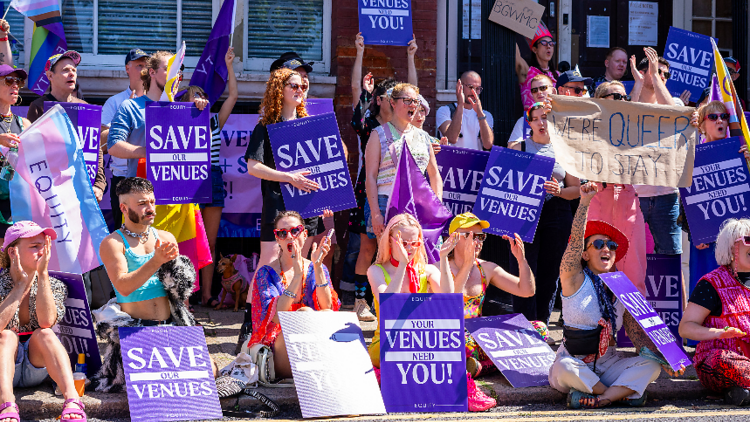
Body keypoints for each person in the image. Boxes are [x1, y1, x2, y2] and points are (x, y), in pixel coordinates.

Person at [550, 182, 681, 408]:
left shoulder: (623, 287)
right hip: (576, 362)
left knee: (651, 367)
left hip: (609, 364)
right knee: (565, 368)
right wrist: (584, 203)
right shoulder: (573, 277)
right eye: (598, 244)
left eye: (611, 245)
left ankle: (600, 398)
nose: (607, 249)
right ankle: (621, 393)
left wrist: (665, 358)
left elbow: (638, 336)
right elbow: (573, 243)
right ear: (585, 253)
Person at [366, 213, 495, 411]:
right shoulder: (375, 270)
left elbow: (450, 298)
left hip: (419, 341)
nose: (408, 248)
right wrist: (402, 265)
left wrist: (443, 258)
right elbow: (388, 304)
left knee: (454, 346)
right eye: (403, 242)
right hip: (387, 344)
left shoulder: (426, 270)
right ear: (390, 241)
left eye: (414, 243)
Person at [347, 32, 418, 321]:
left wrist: (411, 56)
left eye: (400, 97)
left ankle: (394, 297)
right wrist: (360, 52)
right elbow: (354, 91)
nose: (398, 101)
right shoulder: (370, 125)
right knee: (368, 245)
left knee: (399, 247)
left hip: (402, 193)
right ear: (382, 100)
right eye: (390, 96)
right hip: (372, 191)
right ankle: (361, 301)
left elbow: (415, 91)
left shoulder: (410, 128)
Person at [0, 221, 87, 421]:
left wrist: (43, 275)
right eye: (34, 246)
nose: (43, 251)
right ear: (13, 253)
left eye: (44, 245)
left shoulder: (54, 284)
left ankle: (73, 400)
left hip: (36, 366)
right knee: (6, 335)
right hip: (4, 367)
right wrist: (20, 286)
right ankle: (6, 403)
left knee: (45, 333)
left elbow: (46, 321)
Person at [244, 68, 325, 275]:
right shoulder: (265, 126)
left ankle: (293, 307)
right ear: (280, 90)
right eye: (295, 86)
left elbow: (321, 169)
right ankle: (253, 308)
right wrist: (289, 178)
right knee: (269, 262)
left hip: (306, 203)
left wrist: (327, 200)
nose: (300, 90)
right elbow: (253, 167)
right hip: (277, 203)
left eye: (303, 86)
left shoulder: (310, 126)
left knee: (301, 264)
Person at [507, 103, 581, 325]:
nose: (541, 122)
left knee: (550, 273)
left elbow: (575, 189)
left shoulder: (565, 149)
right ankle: (522, 326)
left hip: (556, 211)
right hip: (522, 212)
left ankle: (541, 326)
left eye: (546, 118)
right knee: (523, 267)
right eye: (536, 118)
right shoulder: (517, 148)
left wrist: (559, 191)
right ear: (528, 123)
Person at [176, 48, 238, 308]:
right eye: (195, 96)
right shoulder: (177, 119)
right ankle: (184, 294)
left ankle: (207, 294)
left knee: (209, 242)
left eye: (202, 95)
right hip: (186, 178)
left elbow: (233, 96)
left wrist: (229, 65)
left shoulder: (213, 121)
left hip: (211, 178)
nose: (201, 100)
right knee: (185, 238)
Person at [247, 210, 339, 379]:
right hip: (277, 350)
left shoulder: (316, 268)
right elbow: (275, 316)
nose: (289, 237)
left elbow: (328, 308)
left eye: (295, 231)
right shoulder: (265, 273)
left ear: (304, 234)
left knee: (324, 315)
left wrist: (318, 268)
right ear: (277, 239)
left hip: (314, 345)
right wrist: (297, 275)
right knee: (304, 314)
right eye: (282, 233)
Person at [446, 213, 536, 378]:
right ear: (454, 238)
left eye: (481, 236)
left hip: (481, 337)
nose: (477, 241)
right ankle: (486, 364)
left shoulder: (487, 268)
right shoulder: (439, 268)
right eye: (471, 235)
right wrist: (467, 263)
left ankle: (480, 367)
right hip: (453, 337)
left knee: (538, 330)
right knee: (462, 344)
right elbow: (450, 305)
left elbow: (526, 291)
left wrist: (521, 260)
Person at [583, 81, 646, 296]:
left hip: (628, 198)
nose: (621, 101)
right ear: (600, 100)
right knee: (595, 270)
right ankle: (595, 328)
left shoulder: (637, 125)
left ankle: (634, 330)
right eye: (615, 96)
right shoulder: (586, 126)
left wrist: (693, 122)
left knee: (634, 276)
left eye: (624, 97)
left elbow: (667, 135)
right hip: (598, 197)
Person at [679, 218, 750, 406]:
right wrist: (718, 333)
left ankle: (740, 392)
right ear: (732, 248)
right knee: (722, 361)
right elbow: (685, 328)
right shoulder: (711, 283)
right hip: (721, 359)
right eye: (748, 240)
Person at [107, 51, 209, 177]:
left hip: (175, 188)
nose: (175, 76)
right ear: (152, 72)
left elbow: (202, 146)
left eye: (178, 72)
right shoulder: (130, 106)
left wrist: (200, 116)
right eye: (169, 70)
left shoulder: (184, 109)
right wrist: (150, 151)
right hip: (141, 191)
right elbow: (113, 145)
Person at [364, 83, 442, 240]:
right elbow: (370, 177)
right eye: (407, 100)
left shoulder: (424, 137)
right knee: (391, 258)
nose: (413, 105)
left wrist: (436, 206)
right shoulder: (378, 134)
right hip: (386, 202)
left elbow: (434, 175)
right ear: (392, 103)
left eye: (416, 101)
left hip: (419, 203)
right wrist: (375, 213)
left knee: (418, 257)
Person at [27, 51, 107, 203]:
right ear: (50, 76)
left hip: (82, 190)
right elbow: (31, 153)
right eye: (65, 70)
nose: (71, 74)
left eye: (74, 70)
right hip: (51, 193)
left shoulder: (86, 107)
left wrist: (99, 184)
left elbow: (95, 150)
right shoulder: (38, 107)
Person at [98, 178, 181, 323]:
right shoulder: (113, 243)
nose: (150, 209)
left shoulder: (166, 237)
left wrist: (185, 323)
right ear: (124, 208)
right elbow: (123, 287)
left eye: (152, 202)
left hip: (170, 326)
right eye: (142, 204)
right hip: (134, 331)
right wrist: (156, 261)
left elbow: (179, 289)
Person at [626, 48, 682, 260]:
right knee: (629, 256)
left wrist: (655, 76)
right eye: (656, 71)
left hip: (667, 195)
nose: (662, 77)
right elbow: (628, 117)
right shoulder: (630, 100)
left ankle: (676, 296)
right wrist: (639, 83)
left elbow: (671, 113)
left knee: (671, 257)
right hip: (635, 195)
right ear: (642, 72)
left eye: (665, 74)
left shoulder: (675, 102)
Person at [101, 48, 149, 229]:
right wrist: (124, 117)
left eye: (147, 66)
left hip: (153, 176)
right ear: (127, 69)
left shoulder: (158, 100)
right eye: (139, 65)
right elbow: (103, 143)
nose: (144, 70)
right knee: (125, 234)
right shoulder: (115, 102)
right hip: (123, 177)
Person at [0, 65, 29, 244]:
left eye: (18, 81)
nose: (15, 85)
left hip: (17, 202)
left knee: (13, 258)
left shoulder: (24, 123)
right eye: (9, 81)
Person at [436, 71, 494, 150]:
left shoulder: (486, 115)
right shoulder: (445, 111)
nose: (474, 92)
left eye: (477, 89)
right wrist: (460, 105)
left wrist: (480, 114)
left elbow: (488, 144)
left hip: (475, 161)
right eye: (470, 87)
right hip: (453, 161)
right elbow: (451, 138)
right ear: (460, 86)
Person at [518, 22, 558, 110]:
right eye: (544, 43)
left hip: (552, 121)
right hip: (531, 121)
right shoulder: (527, 72)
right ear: (535, 49)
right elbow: (516, 56)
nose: (548, 46)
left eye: (551, 43)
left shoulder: (558, 75)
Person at [508, 74, 555, 145]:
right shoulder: (524, 121)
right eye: (534, 90)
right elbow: (511, 148)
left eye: (543, 88)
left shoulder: (562, 117)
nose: (539, 92)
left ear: (553, 91)